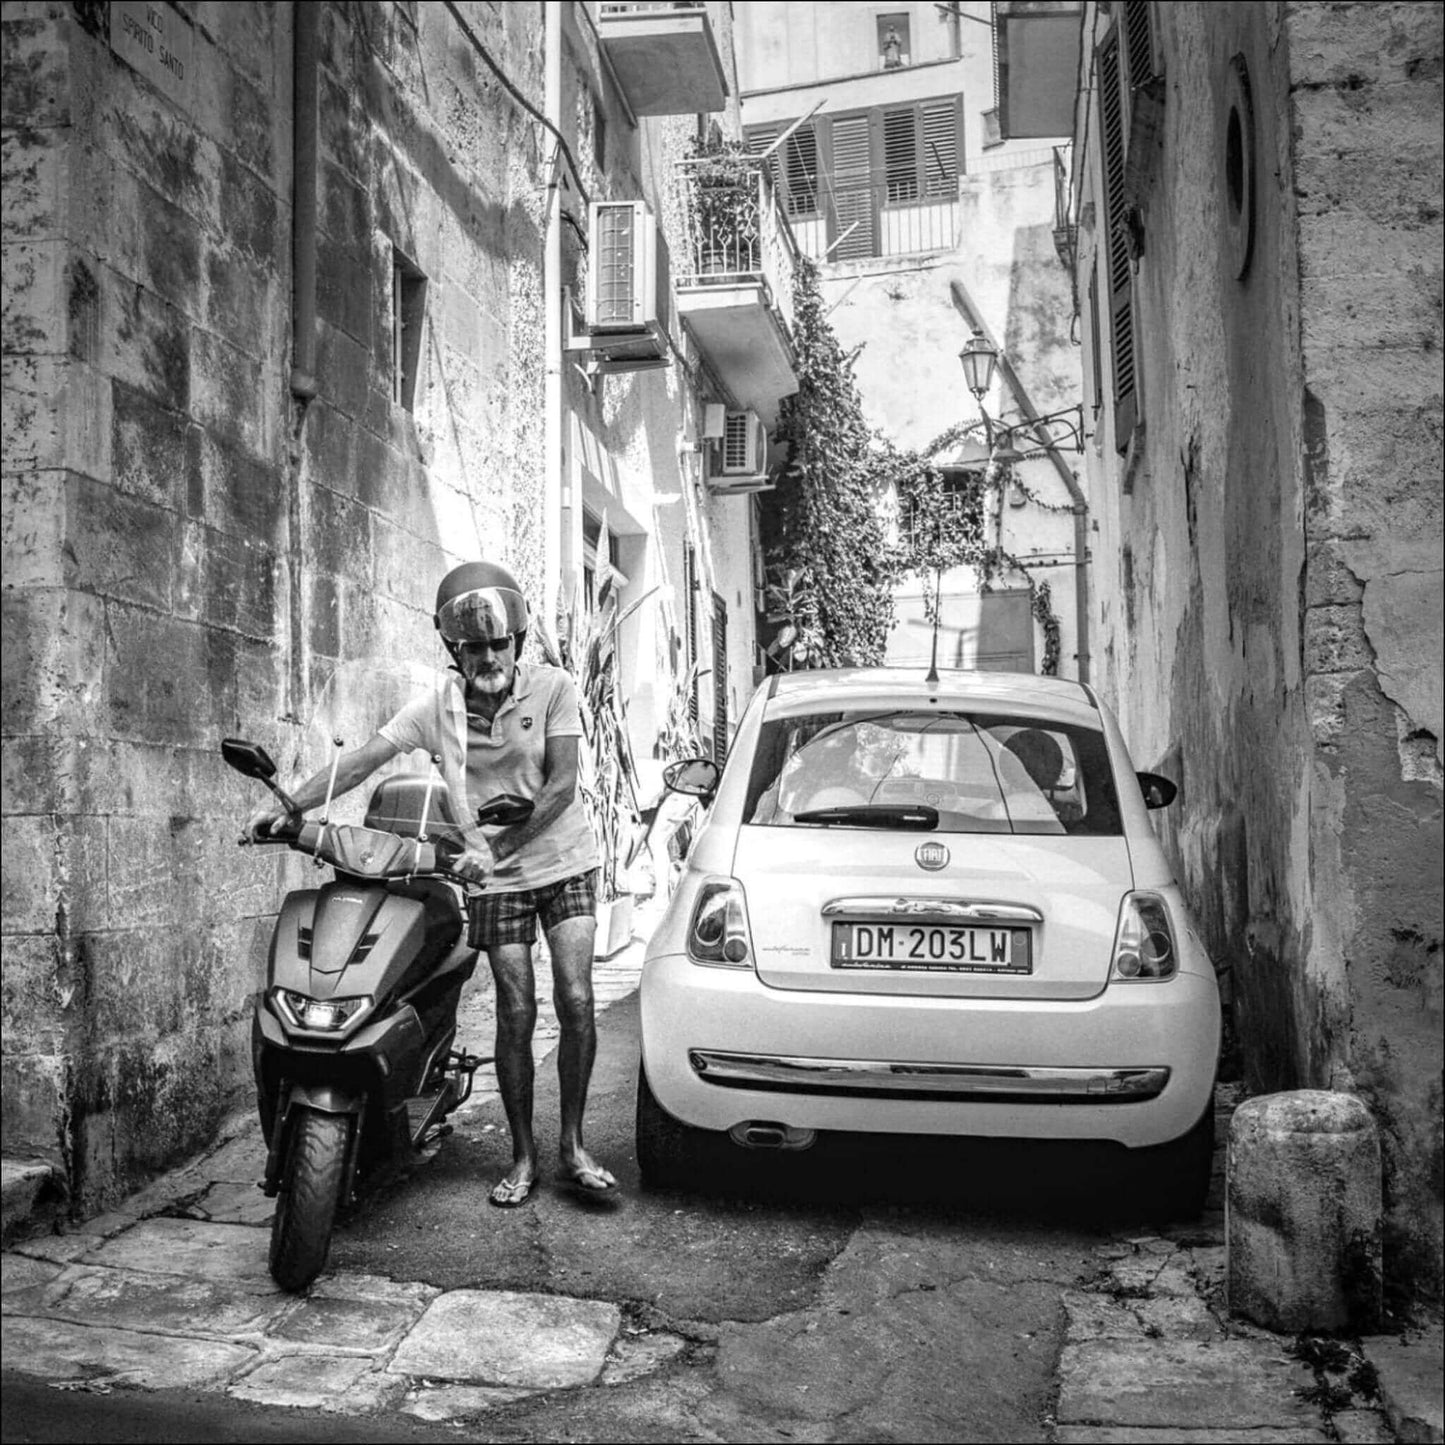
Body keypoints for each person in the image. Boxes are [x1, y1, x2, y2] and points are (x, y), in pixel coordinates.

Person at [244, 561, 614, 1208]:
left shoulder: (552, 687)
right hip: (493, 876)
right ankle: (524, 1156)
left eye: (500, 643)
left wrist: (495, 846)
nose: (489, 655)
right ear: (455, 651)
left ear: (518, 642)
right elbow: (360, 760)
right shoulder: (436, 709)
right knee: (515, 1008)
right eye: (474, 647)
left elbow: (559, 788)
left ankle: (572, 1145)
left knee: (577, 998)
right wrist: (290, 810)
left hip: (562, 861)